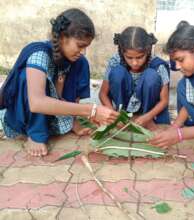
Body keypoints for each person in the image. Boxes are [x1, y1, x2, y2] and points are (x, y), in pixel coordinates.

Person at [0, 8, 119, 157]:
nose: (82, 51)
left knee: (81, 62)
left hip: (56, 111)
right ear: (63, 37)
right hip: (27, 113)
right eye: (80, 45)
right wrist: (92, 110)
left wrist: (79, 115)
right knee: (26, 77)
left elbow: (72, 96)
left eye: (85, 47)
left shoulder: (77, 60)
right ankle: (35, 134)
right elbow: (36, 103)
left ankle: (70, 121)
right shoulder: (39, 54)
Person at [99, 26, 170, 130]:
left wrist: (148, 117)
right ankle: (121, 115)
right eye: (129, 57)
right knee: (118, 73)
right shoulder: (115, 61)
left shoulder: (158, 65)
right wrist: (113, 115)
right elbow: (103, 94)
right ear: (122, 52)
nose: (135, 63)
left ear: (148, 50)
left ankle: (146, 119)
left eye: (140, 57)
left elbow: (164, 101)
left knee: (151, 76)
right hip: (123, 110)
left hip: (148, 112)